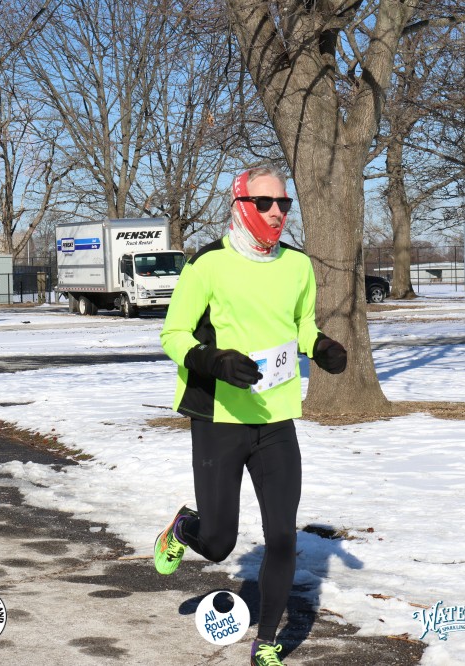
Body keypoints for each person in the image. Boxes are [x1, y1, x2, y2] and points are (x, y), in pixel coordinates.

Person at [155, 167, 347, 666]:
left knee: (282, 536)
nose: (277, 212)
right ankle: (184, 527)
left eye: (283, 203)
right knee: (219, 543)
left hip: (276, 419)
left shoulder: (297, 265)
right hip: (220, 419)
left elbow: (302, 325)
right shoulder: (208, 264)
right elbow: (173, 335)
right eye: (265, 203)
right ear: (241, 205)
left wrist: (320, 346)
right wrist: (214, 361)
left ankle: (267, 643)